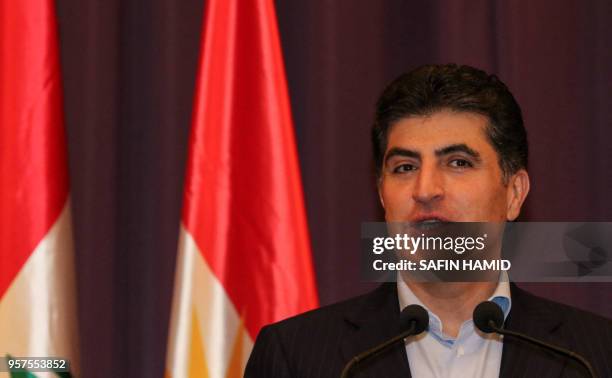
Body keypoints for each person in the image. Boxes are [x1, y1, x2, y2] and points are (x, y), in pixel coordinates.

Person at [244, 64, 612, 377]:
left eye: (458, 163)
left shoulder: (591, 355)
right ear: (382, 195)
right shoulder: (297, 356)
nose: (426, 189)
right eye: (405, 167)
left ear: (514, 193)